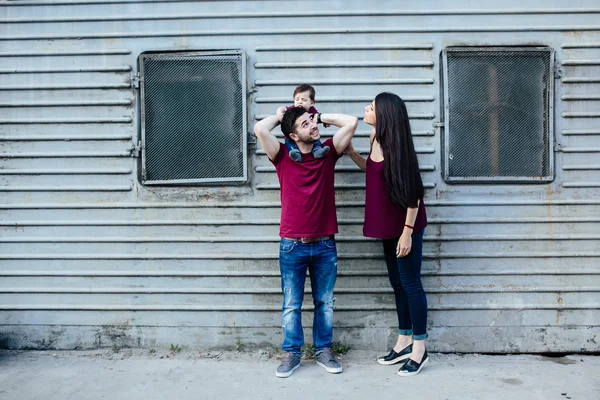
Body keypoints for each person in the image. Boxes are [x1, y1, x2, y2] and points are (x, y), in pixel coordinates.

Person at [254, 106, 358, 378]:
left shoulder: (328, 152)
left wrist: (318, 117)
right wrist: (280, 117)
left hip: (325, 245)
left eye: (311, 120)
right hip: (292, 244)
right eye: (304, 124)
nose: (312, 125)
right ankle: (292, 353)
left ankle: (324, 350)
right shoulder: (282, 156)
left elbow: (351, 122)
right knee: (291, 303)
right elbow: (259, 130)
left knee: (325, 302)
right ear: (293, 135)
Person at [344, 92, 429, 377]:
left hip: (406, 224)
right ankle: (404, 339)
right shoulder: (373, 138)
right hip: (387, 225)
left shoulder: (397, 147)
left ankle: (420, 349)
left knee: (411, 283)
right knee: (397, 282)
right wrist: (353, 154)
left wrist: (407, 234)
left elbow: (415, 194)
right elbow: (374, 171)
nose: (366, 109)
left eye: (372, 106)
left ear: (385, 115)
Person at [276, 84, 330, 162]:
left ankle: (317, 151)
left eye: (304, 100)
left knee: (316, 140)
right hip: (291, 137)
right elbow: (282, 108)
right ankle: (294, 152)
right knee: (288, 142)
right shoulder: (292, 109)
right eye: (297, 99)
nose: (299, 102)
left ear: (311, 103)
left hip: (309, 136)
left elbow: (317, 117)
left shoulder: (312, 111)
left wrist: (325, 122)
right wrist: (279, 113)